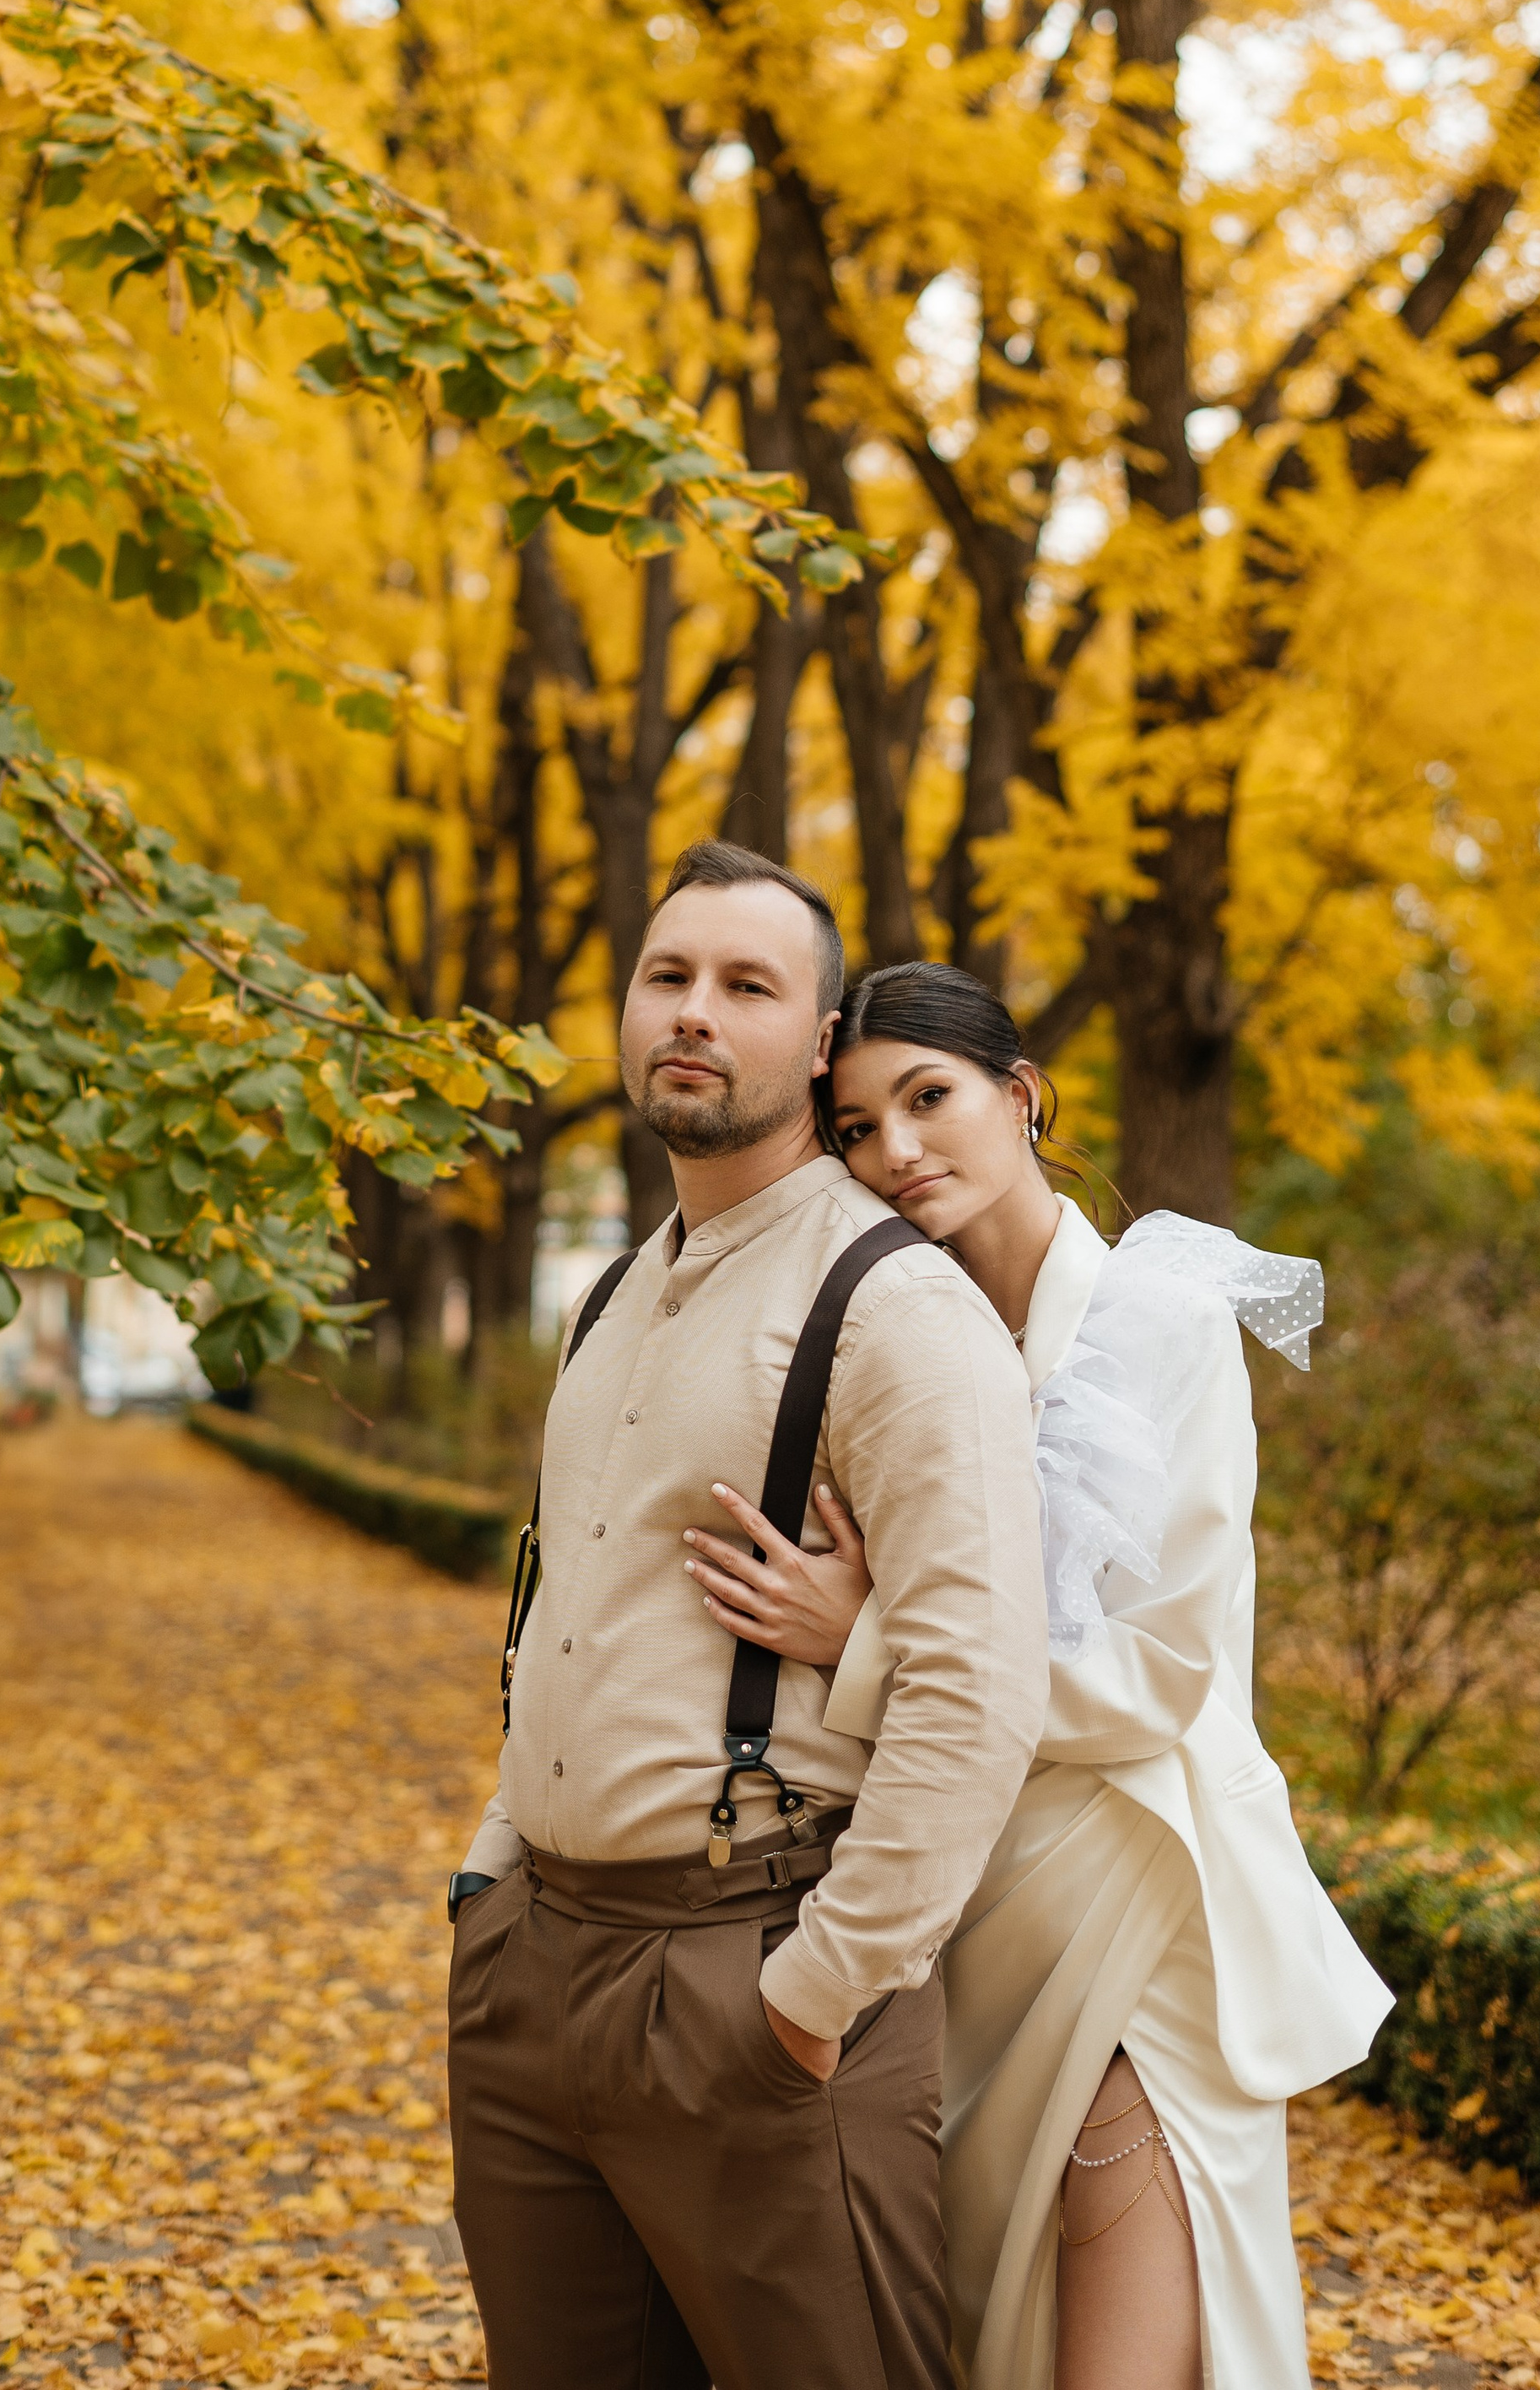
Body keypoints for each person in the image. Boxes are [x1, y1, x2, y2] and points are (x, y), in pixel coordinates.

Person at [686, 961, 1393, 2390]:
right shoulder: (891, 1340)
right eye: (857, 1129)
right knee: (987, 2332)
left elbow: (1159, 1677)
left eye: (929, 1098)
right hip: (959, 1902)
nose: (897, 1150)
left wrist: (867, 1640)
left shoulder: (1159, 1321)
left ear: (1021, 1096)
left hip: (1134, 1886)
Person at [448, 852, 1050, 2390]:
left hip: (753, 1970)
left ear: (822, 1038)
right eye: (668, 977)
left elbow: (977, 1691)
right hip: (534, 1971)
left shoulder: (896, 1307)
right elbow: (566, 1604)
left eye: (746, 986)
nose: (695, 1014)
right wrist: (491, 1879)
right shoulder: (607, 1298)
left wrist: (814, 1996)